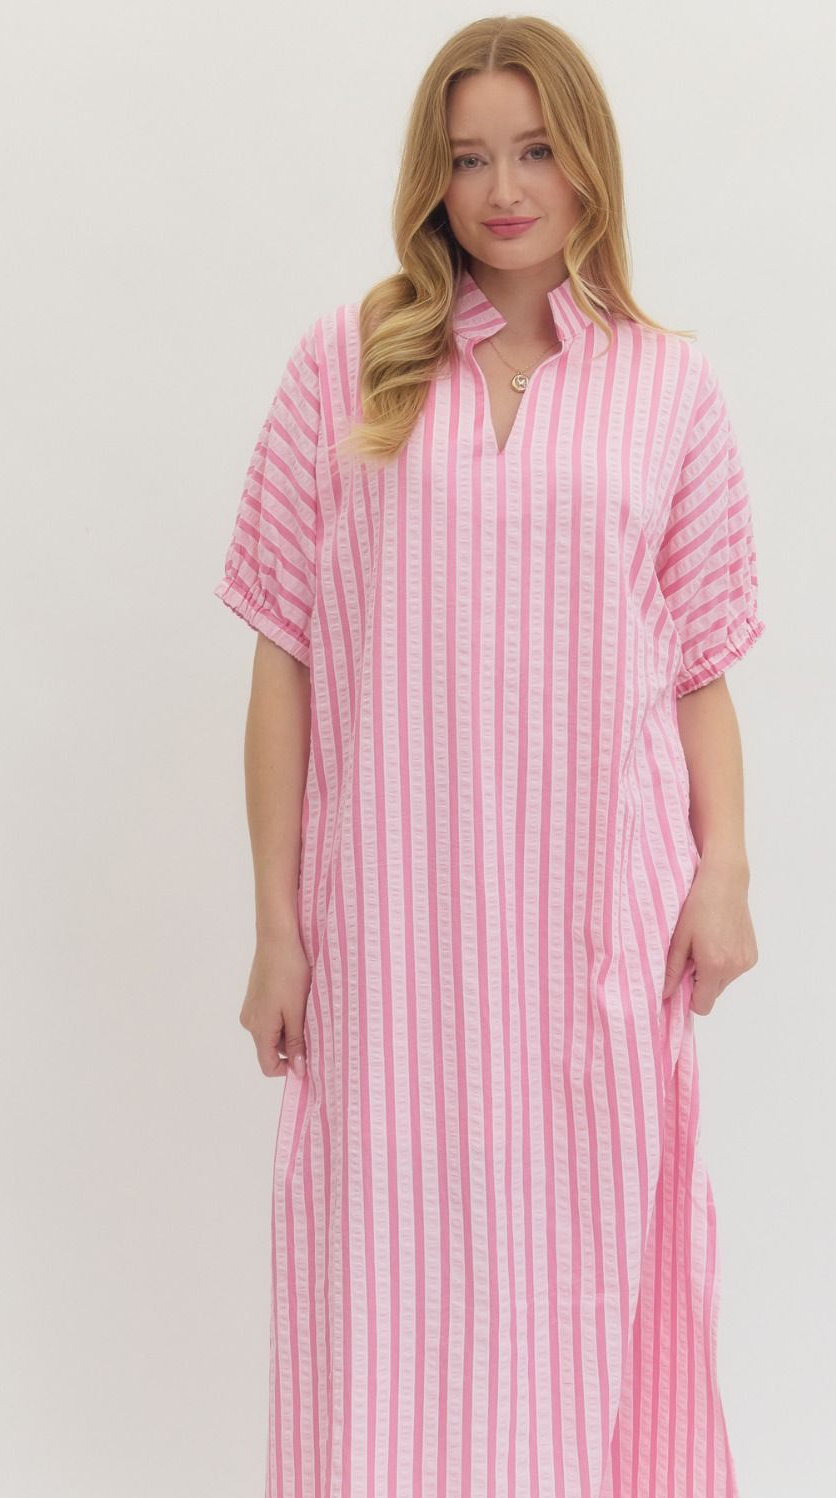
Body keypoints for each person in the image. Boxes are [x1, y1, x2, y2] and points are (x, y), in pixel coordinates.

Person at [213, 16, 765, 1497]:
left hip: (592, 922)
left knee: (588, 1258)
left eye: (533, 150)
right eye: (469, 158)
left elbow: (703, 664)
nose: (504, 188)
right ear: (432, 178)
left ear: (587, 162)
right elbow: (283, 654)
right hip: (392, 931)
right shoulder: (348, 363)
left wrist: (725, 871)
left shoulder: (670, 388)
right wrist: (278, 925)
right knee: (381, 1276)